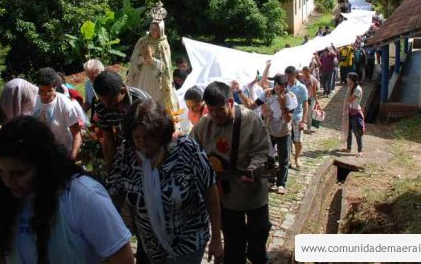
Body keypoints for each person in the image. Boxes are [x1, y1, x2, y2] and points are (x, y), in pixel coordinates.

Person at [0, 117, 134, 263]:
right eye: (1, 171)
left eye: (19, 173)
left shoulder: (81, 195)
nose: (8, 182)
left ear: (43, 165)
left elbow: (124, 259)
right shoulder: (6, 200)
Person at [108, 100, 223, 263]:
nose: (141, 142)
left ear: (160, 134)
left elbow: (210, 190)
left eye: (147, 137)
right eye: (136, 137)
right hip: (151, 246)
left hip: (188, 242)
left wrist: (216, 238)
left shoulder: (186, 149)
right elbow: (116, 191)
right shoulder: (126, 153)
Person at [191, 82, 272, 264]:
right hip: (224, 194)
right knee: (233, 240)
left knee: (260, 231)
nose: (215, 115)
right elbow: (191, 149)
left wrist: (253, 169)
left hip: (252, 189)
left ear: (230, 102)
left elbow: (262, 152)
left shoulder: (251, 120)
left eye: (219, 110)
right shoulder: (205, 123)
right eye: (211, 110)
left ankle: (257, 256)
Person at [92, 70, 151, 173]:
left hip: (148, 147)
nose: (106, 106)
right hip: (125, 151)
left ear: (122, 91)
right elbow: (108, 140)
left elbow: (153, 134)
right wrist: (109, 169)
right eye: (103, 101)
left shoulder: (142, 101)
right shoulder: (101, 107)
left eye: (112, 102)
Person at [128, 3, 178, 113]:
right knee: (140, 98)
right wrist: (142, 59)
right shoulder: (142, 41)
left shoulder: (163, 44)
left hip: (155, 78)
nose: (152, 31)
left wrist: (152, 60)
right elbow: (133, 60)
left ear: (161, 30)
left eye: (155, 29)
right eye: (151, 28)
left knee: (154, 103)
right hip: (142, 75)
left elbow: (166, 66)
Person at [32, 68, 82, 160]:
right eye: (41, 91)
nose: (45, 95)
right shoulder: (33, 100)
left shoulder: (64, 103)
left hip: (64, 154)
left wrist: (72, 156)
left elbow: (76, 134)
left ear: (55, 87)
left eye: (49, 91)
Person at [262, 75, 296, 195]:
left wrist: (282, 105)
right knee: (269, 158)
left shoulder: (290, 97)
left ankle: (281, 183)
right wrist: (265, 109)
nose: (278, 91)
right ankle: (270, 180)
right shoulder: (267, 94)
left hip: (284, 133)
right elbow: (256, 105)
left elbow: (287, 119)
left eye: (281, 89)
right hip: (270, 132)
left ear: (285, 87)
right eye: (277, 88)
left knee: (283, 159)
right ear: (274, 84)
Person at [285, 66, 308, 171]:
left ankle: (297, 158)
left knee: (298, 141)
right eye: (286, 76)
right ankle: (289, 159)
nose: (288, 78)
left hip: (297, 117)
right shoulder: (284, 86)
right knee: (287, 140)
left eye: (290, 76)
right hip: (286, 117)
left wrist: (304, 121)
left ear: (295, 75)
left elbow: (305, 104)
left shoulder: (301, 87)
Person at [343, 72, 364, 158]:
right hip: (349, 111)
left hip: (356, 113)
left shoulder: (357, 89)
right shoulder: (350, 87)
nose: (346, 79)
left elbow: (349, 100)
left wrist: (350, 87)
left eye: (347, 78)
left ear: (351, 80)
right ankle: (349, 148)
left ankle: (360, 151)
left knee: (357, 132)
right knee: (348, 131)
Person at [301, 66, 318, 134]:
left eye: (306, 72)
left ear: (309, 71)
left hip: (311, 98)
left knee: (309, 113)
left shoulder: (313, 79)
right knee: (302, 112)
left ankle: (308, 128)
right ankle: (302, 125)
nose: (305, 74)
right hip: (303, 98)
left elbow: (314, 90)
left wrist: (316, 99)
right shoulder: (301, 79)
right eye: (303, 73)